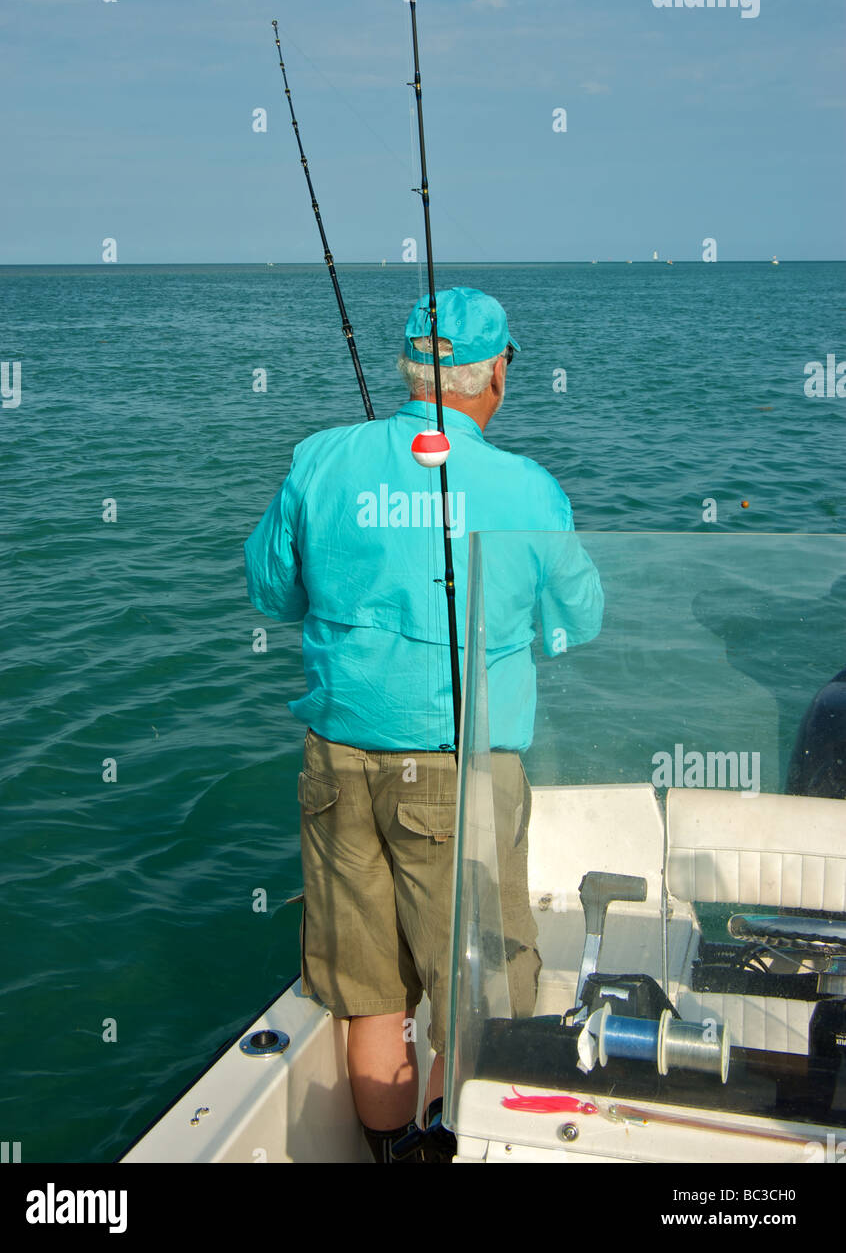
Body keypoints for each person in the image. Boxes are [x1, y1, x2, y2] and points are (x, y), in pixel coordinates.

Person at [244, 286, 603, 1162]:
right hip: (458, 770)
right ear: (497, 375)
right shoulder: (527, 488)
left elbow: (272, 591)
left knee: (371, 993)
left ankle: (388, 1155)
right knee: (476, 995)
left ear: (409, 366)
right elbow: (580, 619)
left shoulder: (321, 459)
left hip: (337, 764)